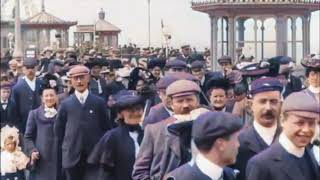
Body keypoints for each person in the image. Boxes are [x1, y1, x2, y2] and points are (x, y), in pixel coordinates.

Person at [132, 80, 203, 180]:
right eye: (180, 101)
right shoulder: (155, 131)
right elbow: (140, 172)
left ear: (198, 101)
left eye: (189, 100)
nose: (185, 105)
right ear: (171, 103)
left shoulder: (209, 127)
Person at [246, 91, 320, 180]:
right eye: (300, 123)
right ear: (282, 120)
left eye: (311, 124)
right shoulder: (261, 164)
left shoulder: (310, 154)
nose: (306, 130)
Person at [54, 65, 112, 180]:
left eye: (82, 77)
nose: (79, 81)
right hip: (72, 157)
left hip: (94, 157)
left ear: (88, 78)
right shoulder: (66, 104)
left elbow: (106, 129)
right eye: (76, 78)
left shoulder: (98, 102)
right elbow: (58, 131)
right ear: (71, 80)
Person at [165, 111, 243, 180]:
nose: (238, 145)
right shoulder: (179, 178)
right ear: (221, 144)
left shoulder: (230, 175)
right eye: (235, 139)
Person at [232, 77, 283, 180]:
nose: (268, 107)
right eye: (262, 102)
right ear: (251, 105)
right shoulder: (237, 143)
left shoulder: (291, 140)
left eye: (273, 102)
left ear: (281, 105)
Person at [88, 90, 145, 180]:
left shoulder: (147, 134)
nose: (135, 113)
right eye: (130, 110)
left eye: (138, 109)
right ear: (120, 114)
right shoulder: (112, 137)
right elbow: (104, 172)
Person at [24, 74, 61, 180]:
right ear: (42, 98)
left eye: (52, 95)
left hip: (59, 159)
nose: (49, 98)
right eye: (46, 96)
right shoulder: (34, 114)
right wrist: (32, 151)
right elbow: (28, 137)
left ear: (56, 96)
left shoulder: (62, 113)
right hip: (41, 159)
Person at [11, 58, 42, 134]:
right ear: (23, 69)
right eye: (27, 68)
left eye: (32, 68)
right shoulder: (17, 88)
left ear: (36, 68)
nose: (30, 70)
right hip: (24, 124)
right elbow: (14, 108)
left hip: (41, 123)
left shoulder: (42, 84)